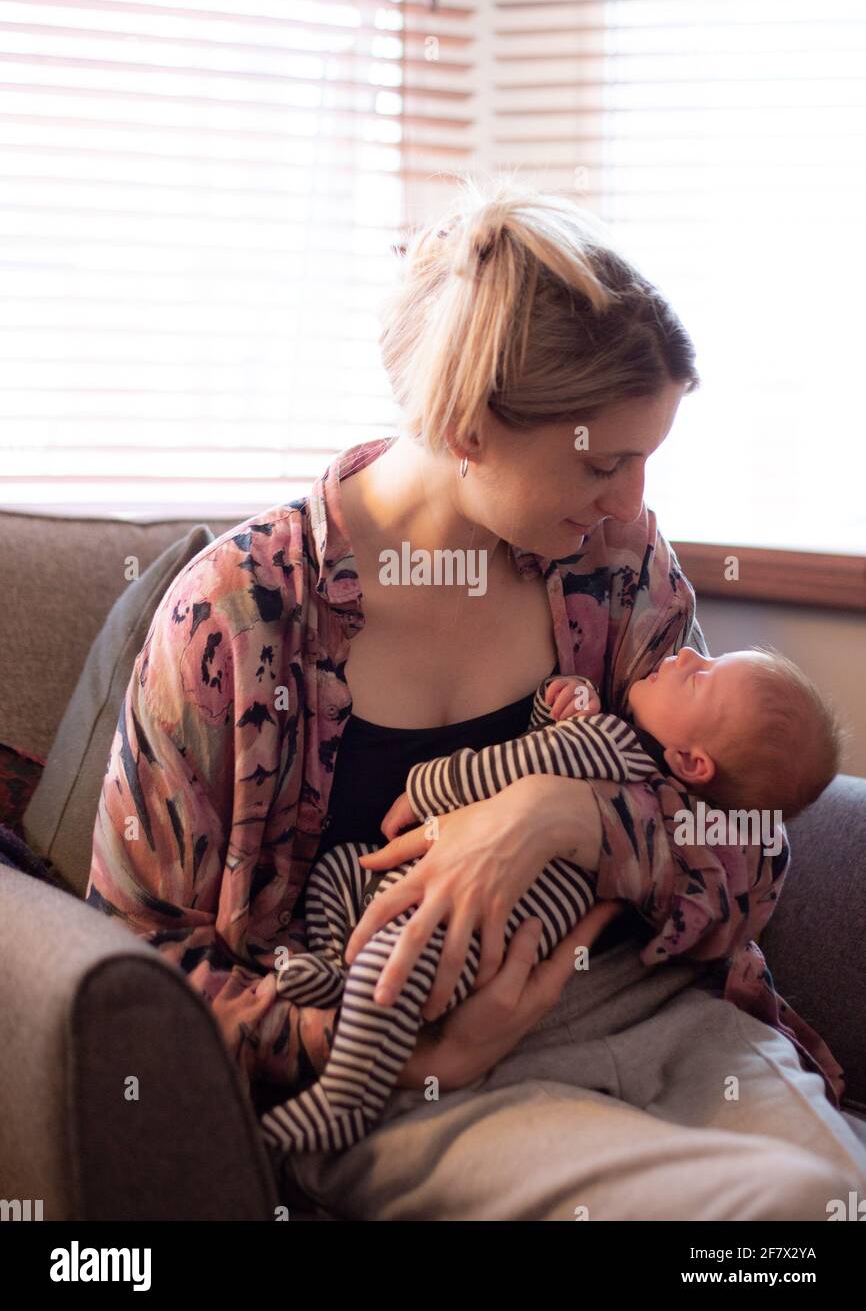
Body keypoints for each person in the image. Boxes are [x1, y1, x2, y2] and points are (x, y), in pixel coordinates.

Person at [87, 174, 866, 1220]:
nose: (633, 502)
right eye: (605, 462)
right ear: (467, 432)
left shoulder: (613, 566)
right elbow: (137, 966)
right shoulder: (240, 620)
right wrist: (397, 1048)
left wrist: (572, 816)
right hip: (412, 1075)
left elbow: (750, 843)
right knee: (773, 1215)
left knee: (835, 1198)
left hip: (657, 1012)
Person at [261, 646, 845, 1158]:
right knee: (349, 879)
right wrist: (558, 709)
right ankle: (339, 972)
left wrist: (427, 785)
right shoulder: (635, 761)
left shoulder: (614, 741)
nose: (691, 655)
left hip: (471, 921)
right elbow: (549, 746)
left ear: (693, 764)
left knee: (388, 956)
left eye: (702, 676)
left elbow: (509, 766)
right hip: (425, 898)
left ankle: (345, 1097)